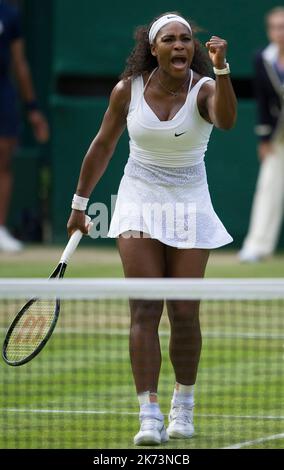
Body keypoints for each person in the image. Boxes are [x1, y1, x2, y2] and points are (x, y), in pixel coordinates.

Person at [67, 12, 237, 446]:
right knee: (144, 308)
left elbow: (227, 120)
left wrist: (221, 68)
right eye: (170, 40)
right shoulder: (128, 90)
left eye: (186, 40)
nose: (180, 46)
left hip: (190, 204)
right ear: (153, 48)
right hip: (138, 201)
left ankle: (184, 404)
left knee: (183, 312)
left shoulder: (207, 88)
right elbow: (103, 144)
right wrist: (79, 205)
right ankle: (148, 414)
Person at [0, 0, 49, 252]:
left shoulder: (9, 14)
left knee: (3, 161)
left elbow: (19, 63)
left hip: (3, 95)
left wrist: (32, 109)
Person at [239, 7, 284, 263]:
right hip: (278, 137)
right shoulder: (262, 59)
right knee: (268, 188)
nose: (280, 32)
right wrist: (264, 139)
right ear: (270, 30)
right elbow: (263, 101)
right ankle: (257, 246)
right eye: (276, 27)